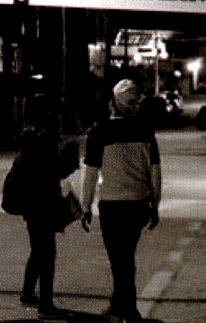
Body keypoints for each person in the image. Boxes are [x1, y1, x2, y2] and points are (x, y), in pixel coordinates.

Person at [81, 79, 162, 323]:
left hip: (112, 205)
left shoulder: (99, 132)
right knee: (126, 255)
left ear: (114, 103)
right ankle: (121, 304)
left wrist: (86, 206)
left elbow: (90, 173)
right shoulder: (146, 131)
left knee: (119, 258)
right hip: (138, 203)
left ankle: (126, 309)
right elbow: (155, 173)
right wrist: (155, 204)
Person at [14, 98, 72, 319]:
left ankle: (28, 292)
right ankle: (45, 304)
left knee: (38, 249)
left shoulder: (29, 137)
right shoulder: (44, 139)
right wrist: (67, 158)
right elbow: (54, 170)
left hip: (31, 202)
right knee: (46, 252)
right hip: (44, 201)